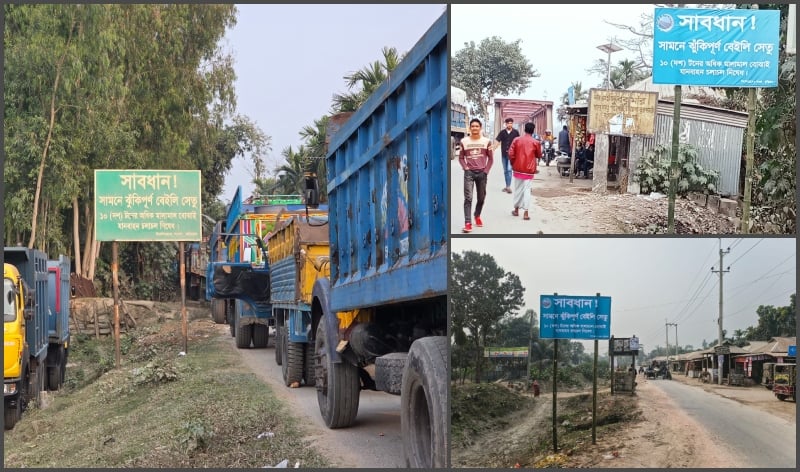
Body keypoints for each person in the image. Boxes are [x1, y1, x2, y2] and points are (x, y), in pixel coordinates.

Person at [458, 118, 493, 233]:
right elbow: (461, 157)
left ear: (480, 128)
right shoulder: (464, 141)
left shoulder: (487, 141)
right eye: (472, 126)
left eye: (476, 126)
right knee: (468, 198)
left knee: (481, 198)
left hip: (482, 173)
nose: (474, 128)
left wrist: (486, 171)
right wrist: (466, 168)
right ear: (470, 128)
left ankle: (477, 215)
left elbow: (491, 159)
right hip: (469, 173)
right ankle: (468, 223)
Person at [507, 122, 541, 221]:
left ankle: (516, 209)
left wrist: (514, 163)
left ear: (524, 129)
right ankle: (526, 212)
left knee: (518, 189)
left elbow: (510, 153)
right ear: (533, 130)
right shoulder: (536, 142)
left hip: (518, 169)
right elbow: (539, 155)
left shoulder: (516, 140)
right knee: (527, 191)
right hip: (529, 171)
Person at [494, 117, 519, 194]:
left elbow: (518, 142)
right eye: (508, 123)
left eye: (511, 123)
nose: (509, 124)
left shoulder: (516, 132)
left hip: (511, 155)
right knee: (505, 171)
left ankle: (508, 186)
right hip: (504, 154)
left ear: (512, 124)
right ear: (506, 124)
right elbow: (498, 141)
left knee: (509, 169)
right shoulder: (502, 132)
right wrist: (494, 148)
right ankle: (507, 185)